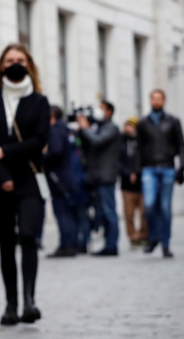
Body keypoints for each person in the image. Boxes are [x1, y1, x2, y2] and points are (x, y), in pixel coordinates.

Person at [0, 44, 50, 326]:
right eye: (10, 60)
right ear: (0, 66)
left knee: (29, 235)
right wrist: (2, 173)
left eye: (20, 60)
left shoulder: (40, 102)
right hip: (0, 181)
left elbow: (39, 141)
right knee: (6, 244)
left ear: (30, 65)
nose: (15, 64)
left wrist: (5, 151)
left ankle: (29, 300)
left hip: (30, 178)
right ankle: (10, 304)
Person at [137, 89, 184, 258]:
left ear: (164, 101)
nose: (156, 102)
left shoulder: (173, 121)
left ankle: (165, 243)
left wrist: (182, 169)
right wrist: (137, 170)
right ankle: (154, 236)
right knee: (149, 204)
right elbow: (139, 149)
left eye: (159, 99)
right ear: (150, 100)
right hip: (149, 168)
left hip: (167, 168)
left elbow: (181, 145)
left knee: (165, 207)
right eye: (154, 99)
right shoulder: (143, 123)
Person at [77, 101, 122, 256]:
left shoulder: (112, 128)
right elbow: (87, 146)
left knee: (109, 212)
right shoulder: (100, 127)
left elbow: (97, 140)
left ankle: (112, 245)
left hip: (106, 176)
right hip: (97, 176)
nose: (98, 111)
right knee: (102, 212)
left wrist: (84, 128)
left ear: (109, 112)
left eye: (101, 109)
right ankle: (108, 244)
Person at [43, 106, 78, 257]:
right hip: (65, 177)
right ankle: (70, 243)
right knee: (66, 213)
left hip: (58, 178)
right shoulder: (66, 130)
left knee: (62, 213)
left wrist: (42, 155)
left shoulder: (55, 131)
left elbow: (55, 152)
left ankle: (66, 244)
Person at [119, 116, 147, 246]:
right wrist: (127, 173)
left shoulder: (143, 142)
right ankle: (132, 237)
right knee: (129, 214)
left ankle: (143, 235)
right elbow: (117, 161)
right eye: (127, 125)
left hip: (142, 183)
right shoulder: (120, 142)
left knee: (144, 213)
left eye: (132, 126)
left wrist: (137, 173)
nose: (128, 128)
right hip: (126, 184)